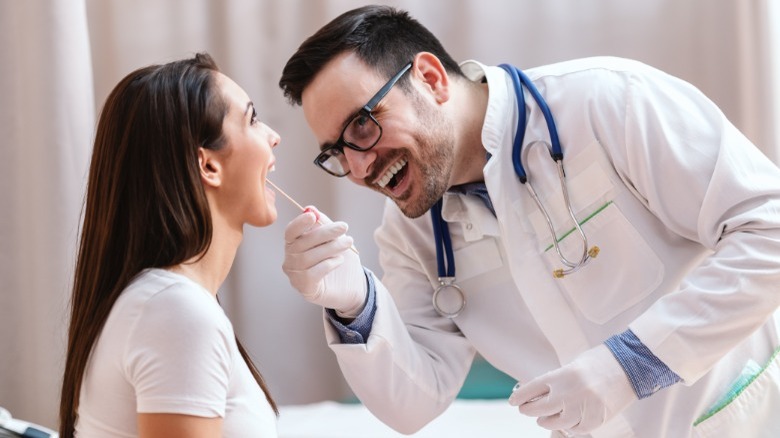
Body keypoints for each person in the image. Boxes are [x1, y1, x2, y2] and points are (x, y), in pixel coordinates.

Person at [277, 5, 780, 438]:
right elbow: (416, 401)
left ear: (430, 79)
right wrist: (354, 305)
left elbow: (769, 227)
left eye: (362, 125)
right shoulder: (413, 230)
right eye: (337, 152)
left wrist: (632, 363)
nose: (361, 167)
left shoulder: (606, 101)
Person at [59, 53, 281, 438]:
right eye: (252, 119)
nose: (273, 136)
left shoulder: (167, 302)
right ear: (209, 166)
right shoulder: (177, 312)